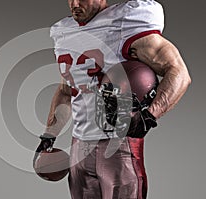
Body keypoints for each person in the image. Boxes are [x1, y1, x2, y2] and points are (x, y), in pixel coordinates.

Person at [35, 0, 191, 198]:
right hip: (79, 147)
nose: (75, 3)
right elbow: (67, 91)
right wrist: (49, 136)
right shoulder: (64, 32)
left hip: (118, 145)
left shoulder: (124, 22)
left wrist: (149, 116)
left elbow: (179, 73)